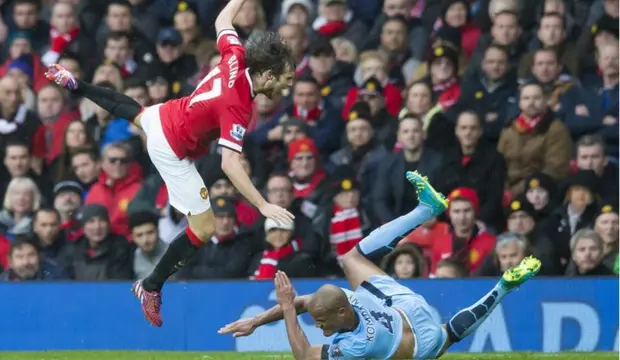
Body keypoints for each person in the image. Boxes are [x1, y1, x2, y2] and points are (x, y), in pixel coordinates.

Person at [45, 0, 296, 327]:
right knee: (204, 228)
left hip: (168, 113)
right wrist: (262, 205)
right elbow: (230, 165)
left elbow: (223, 18)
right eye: (286, 77)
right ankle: (150, 286)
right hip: (171, 148)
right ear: (267, 74)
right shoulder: (238, 106)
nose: (288, 84)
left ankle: (78, 84)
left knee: (137, 113)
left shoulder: (235, 55)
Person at [219, 171, 542, 359]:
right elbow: (308, 302)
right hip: (406, 309)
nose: (317, 326)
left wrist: (287, 309)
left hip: (418, 344)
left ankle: (504, 286)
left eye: (319, 321)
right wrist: (259, 320)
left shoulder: (354, 347)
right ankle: (425, 210)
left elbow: (305, 354)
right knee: (351, 259)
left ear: (343, 311)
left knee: (449, 335)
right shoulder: (351, 299)